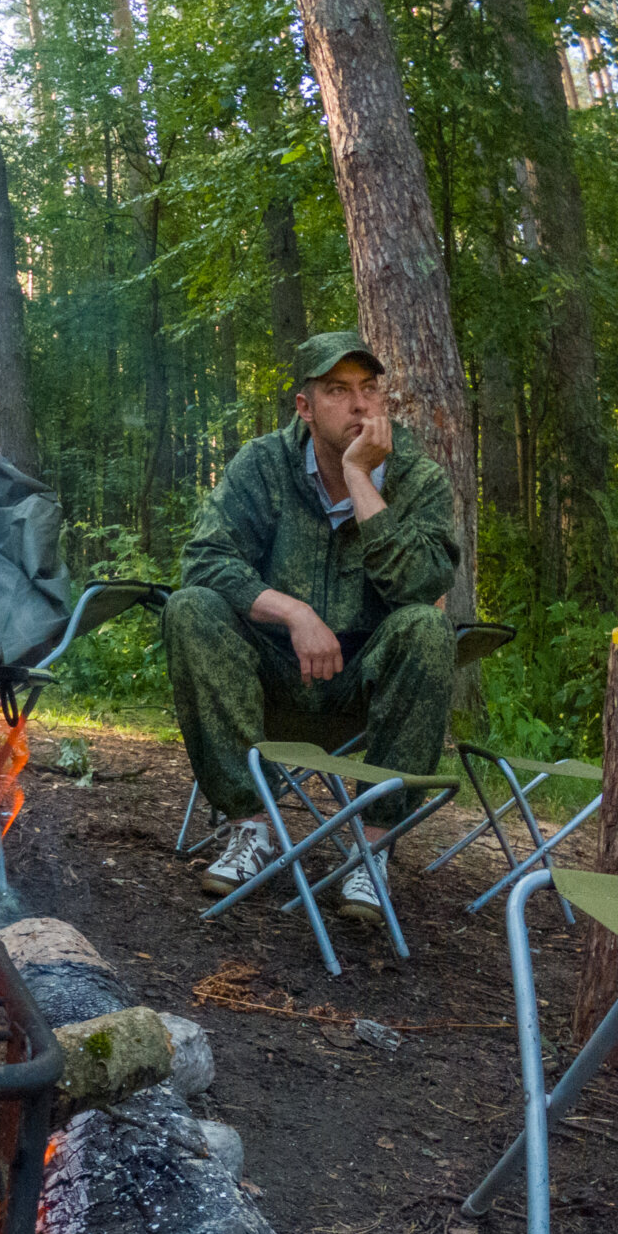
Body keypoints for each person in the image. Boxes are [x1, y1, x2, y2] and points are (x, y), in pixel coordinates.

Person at [162, 330, 458, 921]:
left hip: (366, 687)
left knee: (427, 628)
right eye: (338, 390)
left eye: (370, 390)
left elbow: (421, 587)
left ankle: (370, 853)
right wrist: (294, 613)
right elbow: (205, 558)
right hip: (271, 673)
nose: (360, 406)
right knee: (189, 606)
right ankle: (252, 827)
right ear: (304, 405)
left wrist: (359, 481)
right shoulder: (263, 465)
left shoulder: (418, 477)